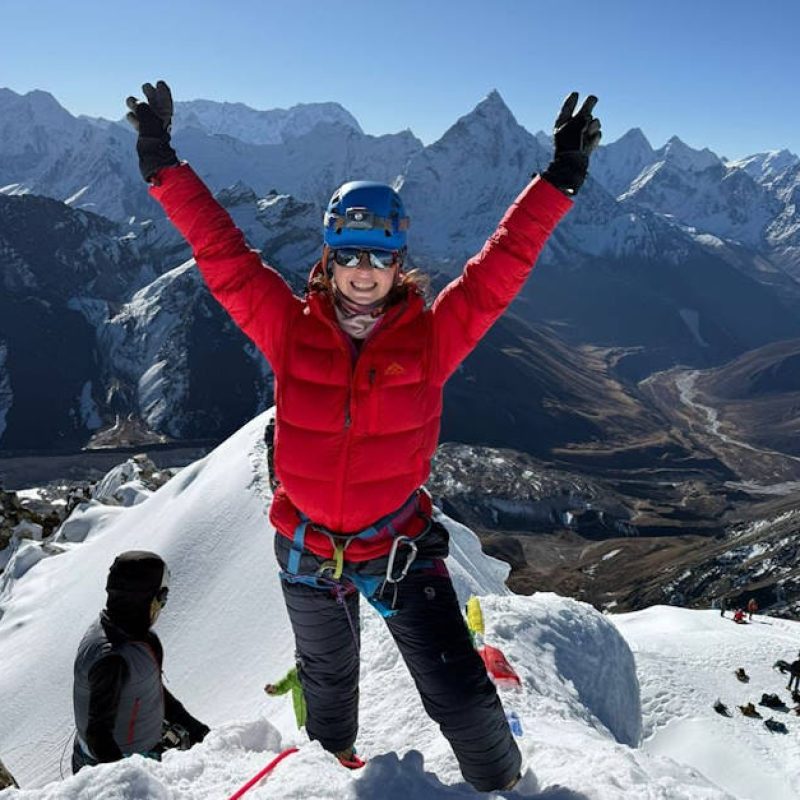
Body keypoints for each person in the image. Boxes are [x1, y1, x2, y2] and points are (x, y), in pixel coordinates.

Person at [124, 80, 600, 793]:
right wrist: (163, 162)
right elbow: (221, 255)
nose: (364, 273)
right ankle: (331, 780)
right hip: (308, 551)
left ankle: (505, 788)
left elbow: (501, 269)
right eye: (350, 255)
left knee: (466, 703)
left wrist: (559, 178)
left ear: (399, 258)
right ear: (330, 256)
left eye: (379, 258)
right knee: (328, 711)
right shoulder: (289, 329)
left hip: (397, 548)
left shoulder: (433, 338)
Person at [72, 551, 209, 772]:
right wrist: (130, 782)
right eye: (161, 597)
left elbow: (149, 690)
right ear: (144, 599)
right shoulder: (112, 658)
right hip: (114, 766)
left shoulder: (133, 637)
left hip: (133, 755)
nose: (162, 606)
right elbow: (99, 736)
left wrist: (196, 729)